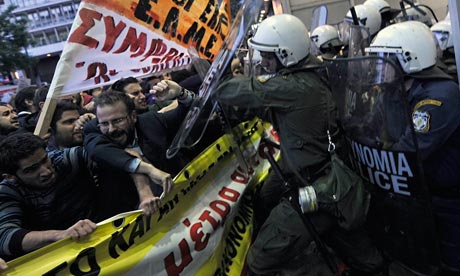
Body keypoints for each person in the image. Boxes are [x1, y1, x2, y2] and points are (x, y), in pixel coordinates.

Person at [212, 14, 384, 275]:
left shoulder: (293, 87)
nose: (264, 63)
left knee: (260, 260)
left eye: (268, 56)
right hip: (330, 178)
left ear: (286, 53)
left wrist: (220, 60)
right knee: (365, 258)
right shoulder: (316, 73)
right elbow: (285, 117)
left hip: (316, 186)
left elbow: (229, 90)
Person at [365, 20, 460, 273]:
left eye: (385, 59)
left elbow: (407, 150)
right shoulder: (396, 90)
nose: (379, 67)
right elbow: (372, 127)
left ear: (409, 59)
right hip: (421, 193)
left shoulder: (440, 96)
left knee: (451, 262)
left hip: (449, 199)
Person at [84, 88, 194, 202]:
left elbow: (192, 110)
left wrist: (181, 93)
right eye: (104, 123)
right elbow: (97, 150)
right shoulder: (95, 135)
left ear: (133, 116)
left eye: (118, 120)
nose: (111, 129)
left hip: (187, 192)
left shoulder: (152, 121)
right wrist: (149, 170)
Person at [0, 133, 97, 260]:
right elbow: (5, 237)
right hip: (54, 258)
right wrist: (61, 236)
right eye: (32, 169)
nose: (46, 171)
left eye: (45, 160)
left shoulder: (67, 159)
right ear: (11, 177)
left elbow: (104, 155)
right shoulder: (8, 191)